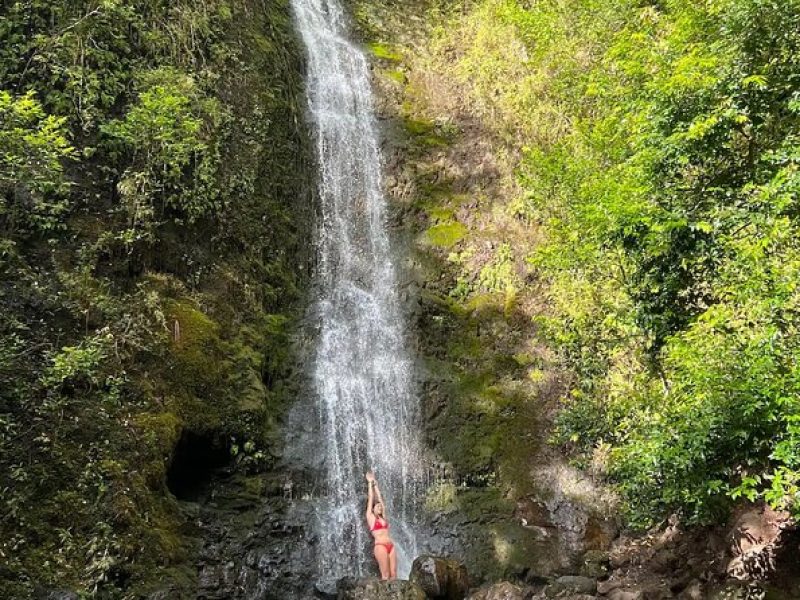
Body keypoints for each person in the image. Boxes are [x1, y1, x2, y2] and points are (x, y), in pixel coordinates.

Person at [365, 470, 397, 580]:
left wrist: (375, 484)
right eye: (377, 506)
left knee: (393, 574)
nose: (379, 507)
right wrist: (370, 483)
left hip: (390, 546)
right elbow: (371, 499)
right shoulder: (371, 517)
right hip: (380, 546)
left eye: (380, 507)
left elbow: (381, 500)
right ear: (373, 508)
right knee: (385, 575)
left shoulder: (383, 518)